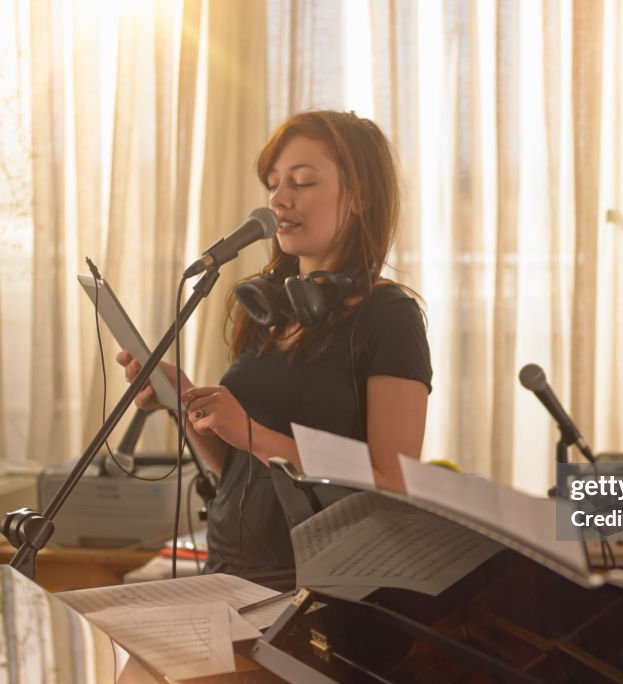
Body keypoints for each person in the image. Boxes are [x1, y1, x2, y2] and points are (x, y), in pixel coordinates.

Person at [118, 110, 432, 577]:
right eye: (273, 183)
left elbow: (393, 481)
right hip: (229, 572)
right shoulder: (268, 307)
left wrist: (252, 433)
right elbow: (239, 472)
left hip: (319, 588)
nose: (279, 200)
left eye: (303, 182)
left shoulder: (389, 317)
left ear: (361, 197)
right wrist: (184, 402)